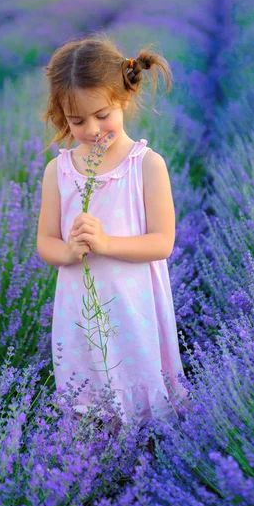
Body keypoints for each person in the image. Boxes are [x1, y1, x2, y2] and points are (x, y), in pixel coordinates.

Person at [36, 32, 190, 441]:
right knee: (90, 393)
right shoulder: (60, 171)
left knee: (137, 382)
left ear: (123, 98)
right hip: (80, 307)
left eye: (101, 114)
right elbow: (45, 243)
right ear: (61, 116)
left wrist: (107, 244)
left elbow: (162, 242)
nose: (91, 129)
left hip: (132, 303)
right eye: (76, 120)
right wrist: (69, 252)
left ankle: (149, 456)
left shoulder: (147, 165)